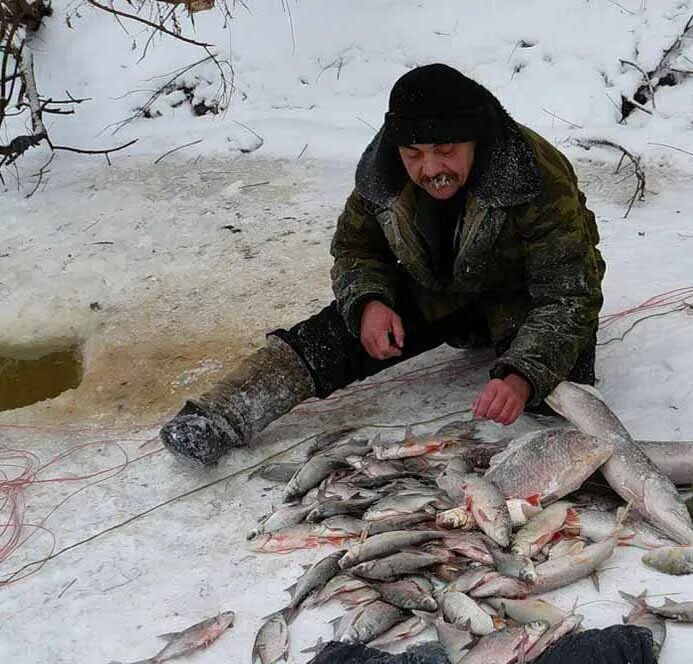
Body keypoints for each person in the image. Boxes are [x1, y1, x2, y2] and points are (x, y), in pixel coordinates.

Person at [160, 63, 605, 465]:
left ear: (476, 137)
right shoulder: (382, 170)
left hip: (520, 296)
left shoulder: (532, 170)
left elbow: (570, 292)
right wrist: (368, 300)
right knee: (336, 335)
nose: (431, 169)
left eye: (446, 150)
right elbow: (356, 246)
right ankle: (221, 414)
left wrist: (522, 374)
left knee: (558, 394)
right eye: (414, 154)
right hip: (438, 287)